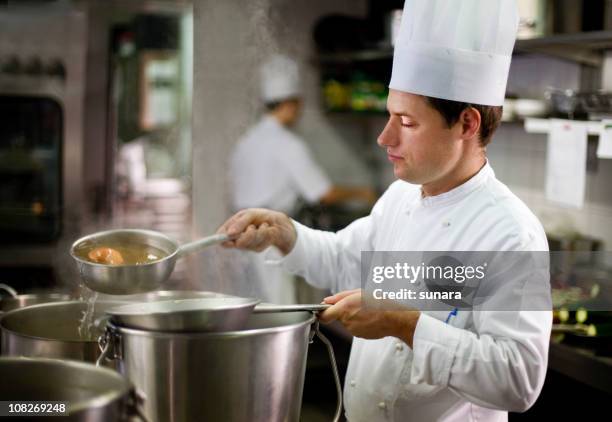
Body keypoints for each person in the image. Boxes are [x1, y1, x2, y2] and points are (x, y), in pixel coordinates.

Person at [220, 1, 552, 420]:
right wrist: (286, 234)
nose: (384, 137)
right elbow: (345, 258)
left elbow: (519, 380)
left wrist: (406, 323)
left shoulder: (510, 233)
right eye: (389, 116)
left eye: (407, 123)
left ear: (467, 125)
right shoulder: (402, 197)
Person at [230, 54, 374, 303]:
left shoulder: (247, 141)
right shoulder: (287, 144)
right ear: (290, 104)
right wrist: (364, 193)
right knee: (279, 310)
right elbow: (322, 193)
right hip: (268, 236)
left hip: (241, 233)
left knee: (253, 308)